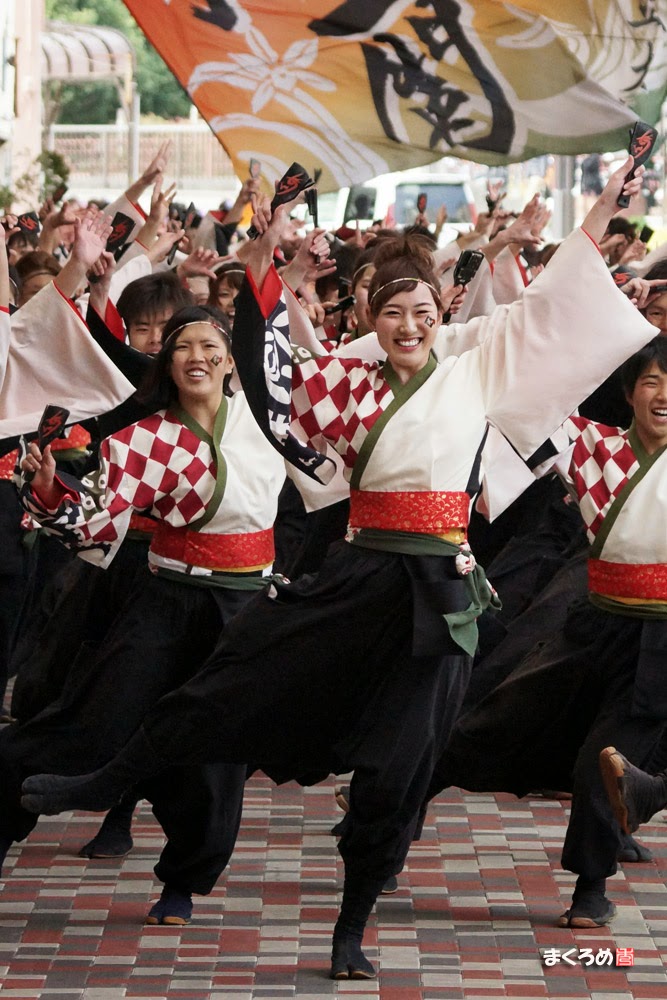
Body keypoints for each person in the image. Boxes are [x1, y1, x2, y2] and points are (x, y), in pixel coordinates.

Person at [19, 159, 656, 979]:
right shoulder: (346, 382)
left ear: (441, 313)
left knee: (398, 770)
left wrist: (602, 205)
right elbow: (270, 380)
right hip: (358, 573)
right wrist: (269, 254)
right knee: (229, 681)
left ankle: (351, 924)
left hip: (440, 593)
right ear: (367, 317)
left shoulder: (479, 365)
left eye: (421, 311)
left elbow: (553, 302)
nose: (407, 325)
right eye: (390, 312)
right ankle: (107, 778)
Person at [2, 302, 289, 926]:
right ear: (167, 363)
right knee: (95, 721)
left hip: (242, 607)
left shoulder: (267, 420)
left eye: (210, 346)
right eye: (182, 347)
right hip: (167, 598)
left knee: (217, 754)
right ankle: (7, 802)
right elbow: (93, 519)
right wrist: (49, 489)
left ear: (231, 360)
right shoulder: (146, 439)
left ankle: (182, 881)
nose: (197, 357)